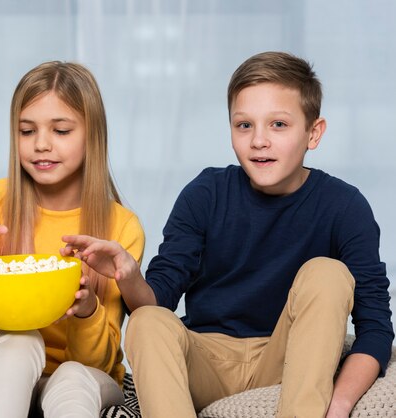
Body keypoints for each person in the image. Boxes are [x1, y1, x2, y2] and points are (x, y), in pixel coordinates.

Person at [61, 51, 394, 418]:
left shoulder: (344, 206)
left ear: (313, 133)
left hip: (286, 359)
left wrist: (341, 402)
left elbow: (375, 327)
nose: (259, 141)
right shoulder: (205, 193)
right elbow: (155, 303)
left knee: (328, 273)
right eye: (244, 125)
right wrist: (129, 275)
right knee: (146, 322)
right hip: (207, 361)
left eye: (278, 125)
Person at [0, 61, 145, 418]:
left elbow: (99, 360)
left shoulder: (120, 226)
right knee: (19, 339)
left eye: (61, 131)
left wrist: (88, 312)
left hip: (83, 377)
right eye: (27, 131)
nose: (42, 145)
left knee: (72, 377)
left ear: (92, 135)